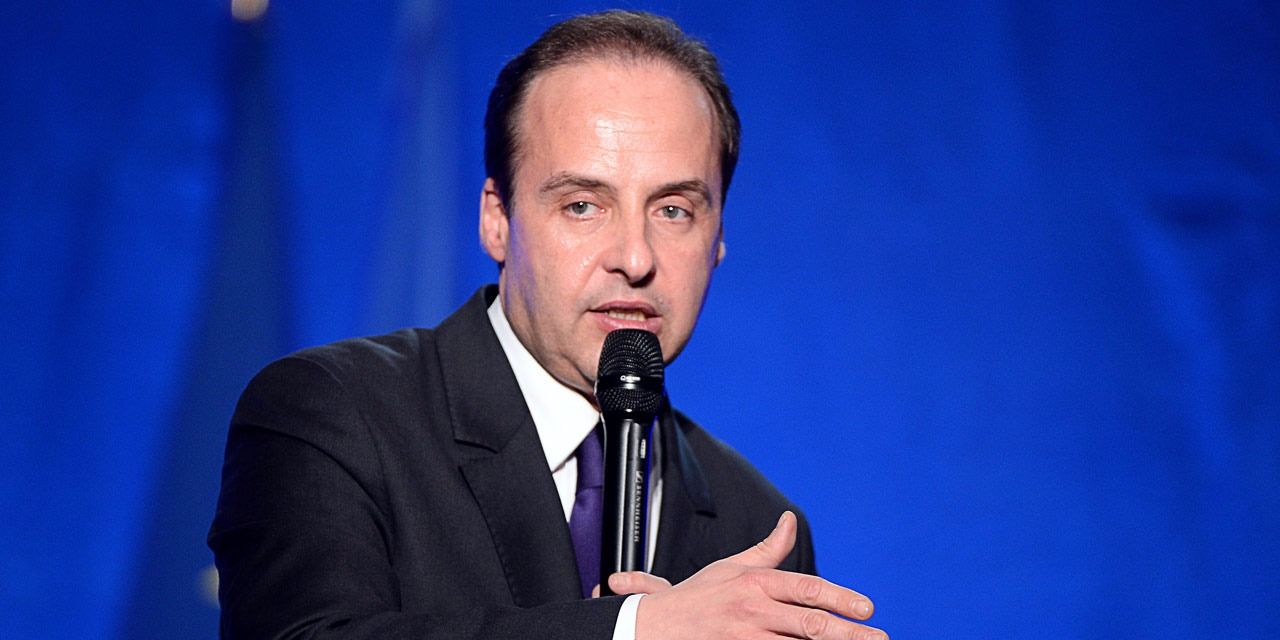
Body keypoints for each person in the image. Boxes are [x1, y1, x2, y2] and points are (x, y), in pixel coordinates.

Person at [209, 10, 886, 640]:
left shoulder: (758, 527)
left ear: (718, 241)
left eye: (674, 210)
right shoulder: (333, 413)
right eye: (583, 205)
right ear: (497, 220)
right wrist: (631, 629)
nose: (635, 258)